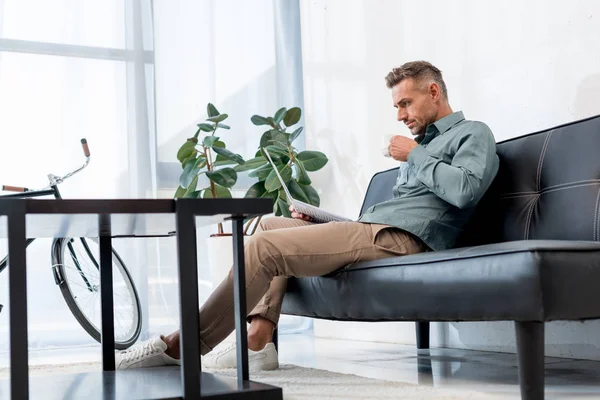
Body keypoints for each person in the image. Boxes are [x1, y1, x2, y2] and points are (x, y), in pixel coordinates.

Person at [115, 60, 500, 370]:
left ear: (433, 92)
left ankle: (184, 345)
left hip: (404, 239)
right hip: (374, 229)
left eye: (405, 103)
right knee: (267, 224)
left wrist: (414, 154)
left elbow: (465, 192)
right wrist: (326, 221)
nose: (400, 115)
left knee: (264, 246)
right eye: (396, 106)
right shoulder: (422, 145)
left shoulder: (472, 133)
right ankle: (258, 341)